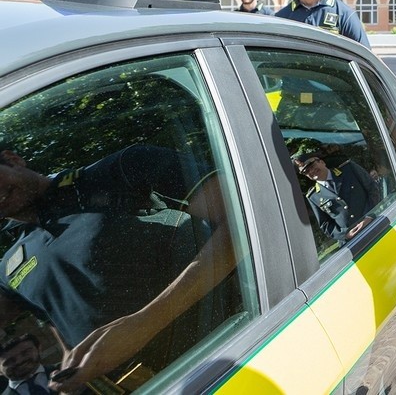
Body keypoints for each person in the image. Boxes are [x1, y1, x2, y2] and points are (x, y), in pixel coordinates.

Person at [0, 141, 237, 391]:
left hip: (230, 353)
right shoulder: (8, 266)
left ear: (13, 159)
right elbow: (55, 314)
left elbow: (245, 219)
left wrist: (145, 323)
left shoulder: (123, 168)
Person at [292, 147, 380, 242]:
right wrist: (345, 235)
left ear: (321, 162)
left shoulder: (348, 169)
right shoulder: (313, 196)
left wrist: (370, 216)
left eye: (312, 166)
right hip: (353, 241)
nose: (311, 171)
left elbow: (372, 189)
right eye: (306, 171)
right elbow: (325, 224)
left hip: (375, 223)